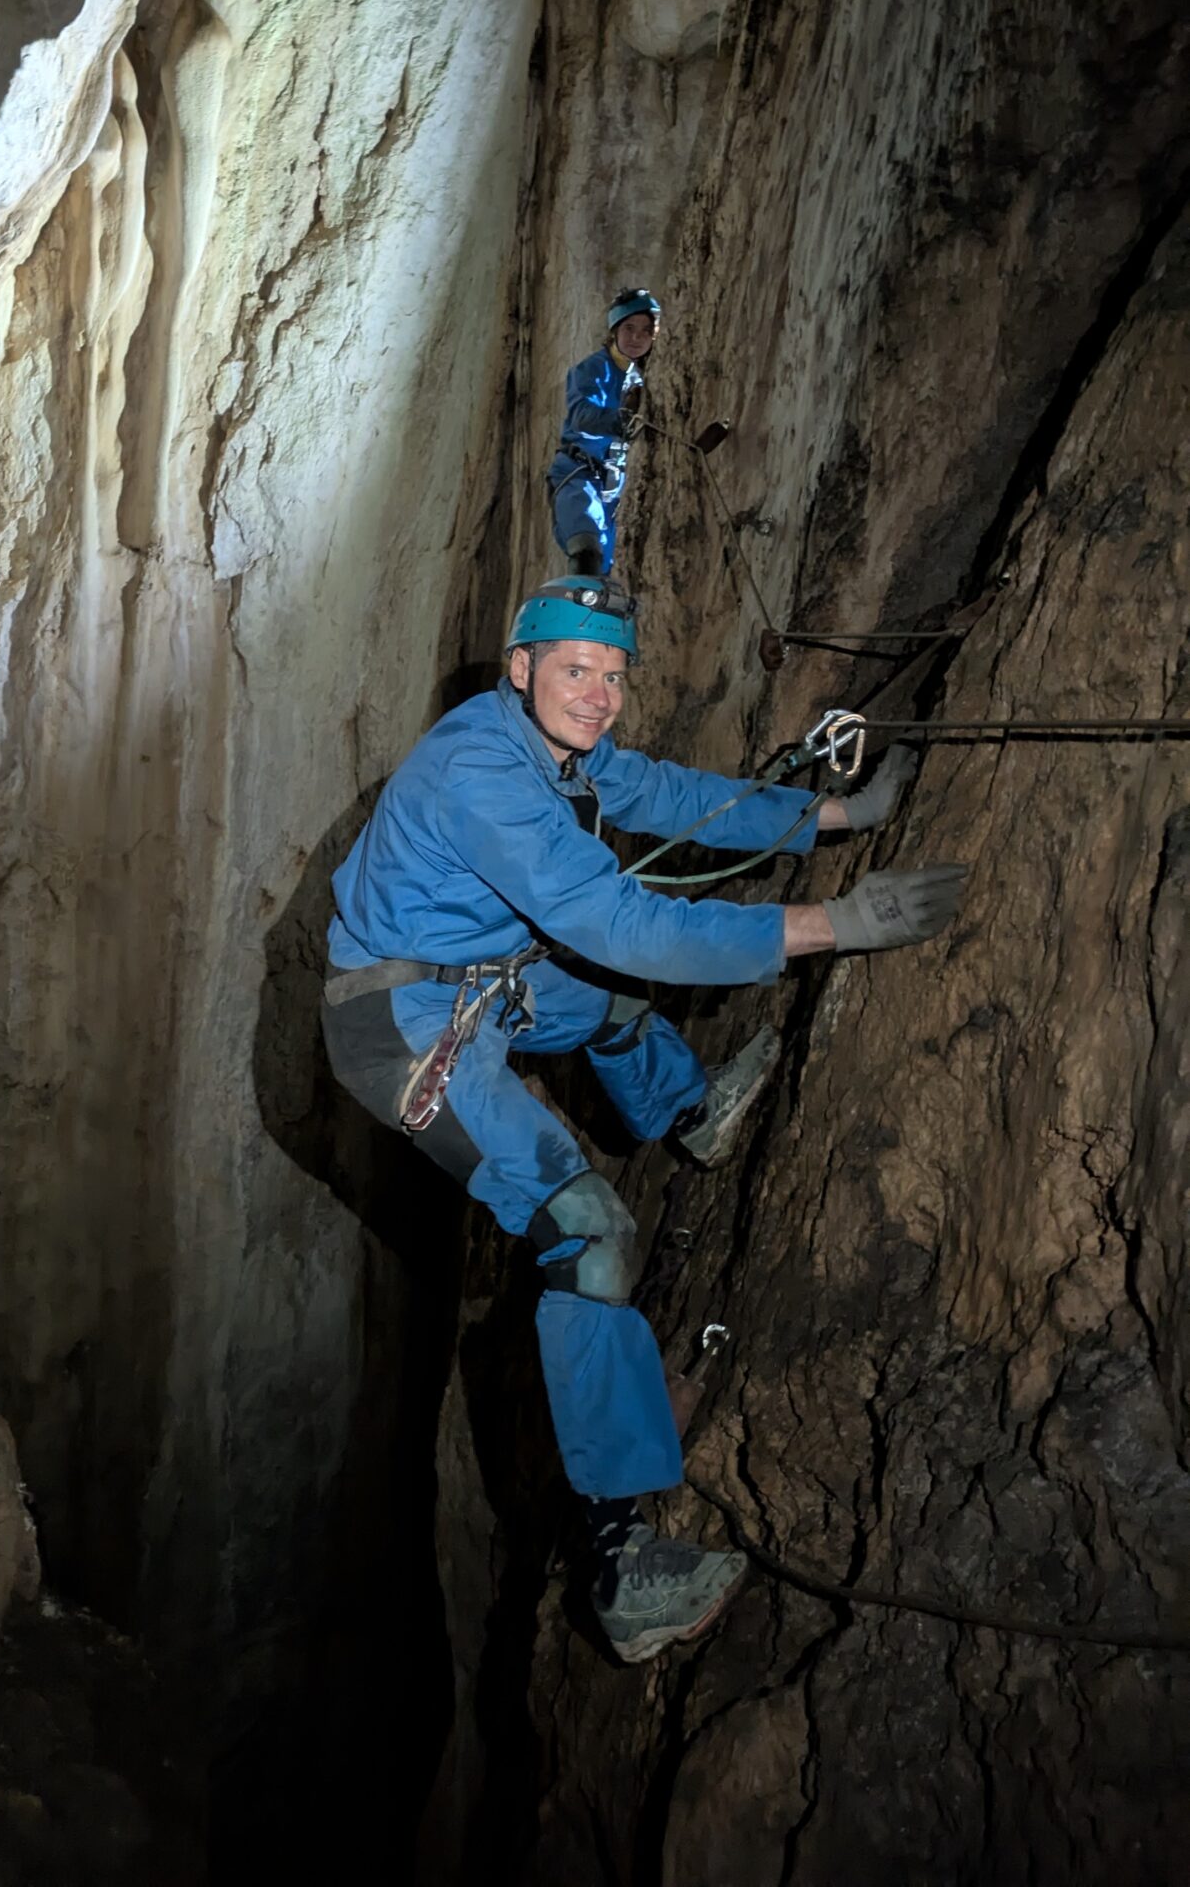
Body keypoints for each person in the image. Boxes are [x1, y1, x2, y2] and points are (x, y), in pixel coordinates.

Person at [321, 576, 965, 1663]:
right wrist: (832, 925)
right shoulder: (480, 771)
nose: (600, 695)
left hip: (480, 978)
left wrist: (835, 816)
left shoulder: (556, 747)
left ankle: (691, 1111)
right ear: (520, 669)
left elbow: (663, 793)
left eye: (614, 676)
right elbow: (620, 920)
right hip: (402, 1023)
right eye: (577, 670)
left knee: (608, 1001)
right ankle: (619, 1567)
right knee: (590, 1236)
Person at [549, 288, 661, 576]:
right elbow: (582, 415)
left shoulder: (648, 375)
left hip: (616, 487)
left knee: (608, 569)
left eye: (645, 331)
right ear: (614, 331)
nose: (637, 338)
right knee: (586, 549)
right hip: (580, 474)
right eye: (629, 328)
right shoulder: (593, 369)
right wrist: (621, 420)